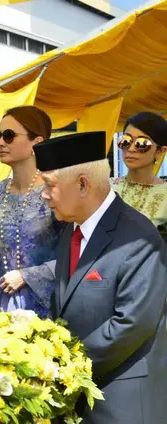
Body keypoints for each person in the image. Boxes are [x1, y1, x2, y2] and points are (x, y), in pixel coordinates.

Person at [36, 131, 167, 424]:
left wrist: (64, 364)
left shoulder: (138, 239)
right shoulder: (72, 228)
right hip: (80, 394)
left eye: (49, 185)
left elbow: (131, 324)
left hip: (121, 401)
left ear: (83, 185)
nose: (43, 195)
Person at [0, 106, 65, 318]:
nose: (1, 143)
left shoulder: (56, 190)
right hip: (1, 304)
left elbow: (75, 254)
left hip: (47, 307)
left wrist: (28, 276)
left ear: (37, 143)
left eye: (9, 136)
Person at [111, 112, 167, 241]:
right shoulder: (105, 188)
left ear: (160, 151)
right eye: (126, 141)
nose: (131, 149)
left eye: (142, 144)